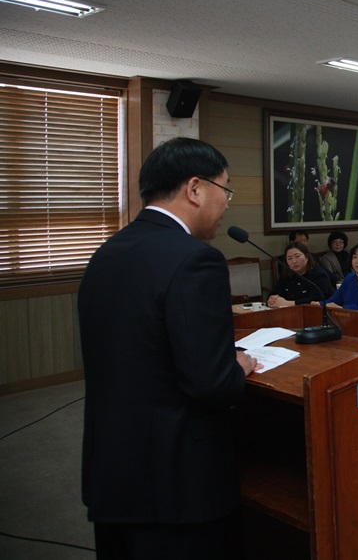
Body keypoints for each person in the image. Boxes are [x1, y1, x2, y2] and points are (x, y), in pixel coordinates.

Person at [78, 137, 257, 558]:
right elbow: (213, 383)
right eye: (225, 190)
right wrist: (239, 366)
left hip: (112, 473)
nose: (227, 204)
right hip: (176, 486)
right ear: (195, 189)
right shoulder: (195, 259)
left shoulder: (107, 251)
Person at [268, 241, 335, 307]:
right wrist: (272, 300)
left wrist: (289, 303)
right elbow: (275, 293)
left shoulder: (318, 274)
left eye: (297, 256)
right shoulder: (287, 275)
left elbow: (317, 300)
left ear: (307, 257)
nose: (294, 261)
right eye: (289, 258)